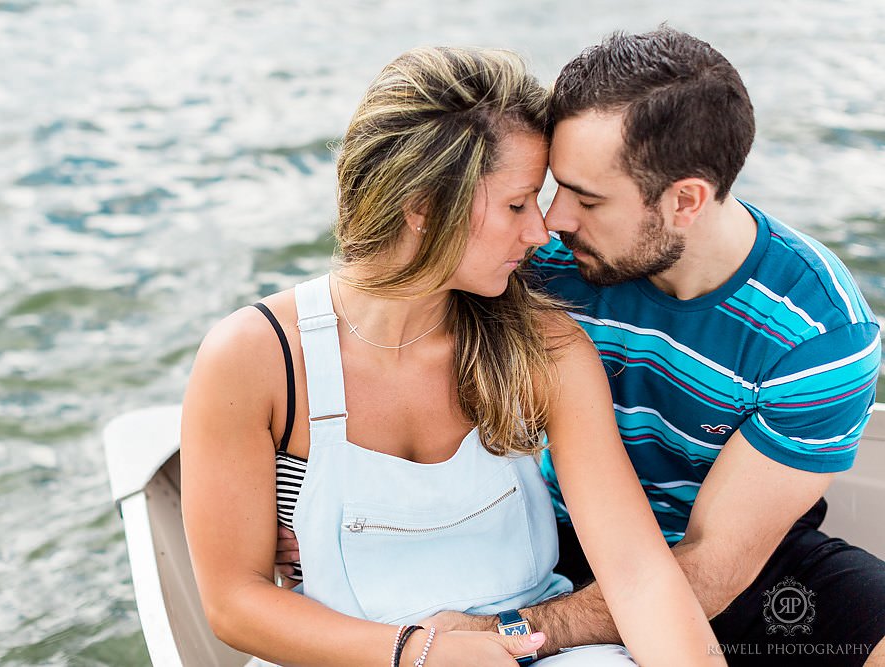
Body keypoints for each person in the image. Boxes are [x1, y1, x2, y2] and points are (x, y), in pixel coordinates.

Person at [181, 46, 725, 667]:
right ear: (425, 207)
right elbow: (233, 601)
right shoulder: (257, 358)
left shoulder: (546, 348)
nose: (540, 232)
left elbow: (637, 575)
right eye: (518, 204)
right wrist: (417, 654)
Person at [423, 27, 885, 666]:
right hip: (546, 528)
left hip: (726, 564)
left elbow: (715, 566)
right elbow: (384, 339)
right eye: (556, 186)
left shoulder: (820, 332)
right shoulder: (539, 258)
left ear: (685, 200)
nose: (552, 220)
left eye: (587, 198)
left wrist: (509, 630)